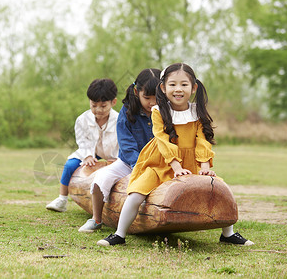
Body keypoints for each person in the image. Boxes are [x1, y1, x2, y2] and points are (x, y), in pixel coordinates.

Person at [97, 63, 254, 246]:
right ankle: (119, 234)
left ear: (193, 87)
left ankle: (228, 233)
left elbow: (202, 139)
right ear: (163, 88)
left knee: (219, 188)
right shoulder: (159, 112)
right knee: (136, 194)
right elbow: (162, 140)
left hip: (191, 163)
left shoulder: (197, 111)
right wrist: (176, 167)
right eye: (172, 85)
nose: (178, 89)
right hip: (161, 162)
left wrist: (204, 167)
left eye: (184, 85)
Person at [78, 69, 161, 232]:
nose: (152, 102)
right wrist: (139, 166)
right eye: (147, 98)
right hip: (129, 162)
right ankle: (96, 218)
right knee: (100, 179)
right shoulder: (128, 112)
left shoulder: (167, 111)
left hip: (161, 162)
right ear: (137, 92)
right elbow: (126, 144)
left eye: (156, 98)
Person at [46, 78, 119, 212]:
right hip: (91, 150)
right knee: (69, 165)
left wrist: (116, 158)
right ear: (89, 102)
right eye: (93, 105)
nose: (98, 110)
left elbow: (121, 141)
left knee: (117, 172)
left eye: (103, 106)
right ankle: (62, 199)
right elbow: (82, 141)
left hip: (112, 152)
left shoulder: (119, 120)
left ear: (113, 102)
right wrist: (88, 156)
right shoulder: (82, 119)